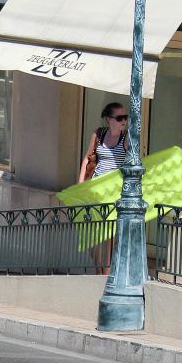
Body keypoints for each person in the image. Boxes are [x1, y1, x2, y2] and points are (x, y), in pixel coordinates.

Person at [77, 102, 129, 273]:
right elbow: (87, 158)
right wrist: (80, 184)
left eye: (125, 117)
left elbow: (134, 161)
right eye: (120, 118)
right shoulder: (99, 134)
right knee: (91, 232)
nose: (124, 121)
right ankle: (99, 268)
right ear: (109, 119)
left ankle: (105, 274)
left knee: (109, 235)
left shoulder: (126, 138)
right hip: (95, 188)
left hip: (114, 192)